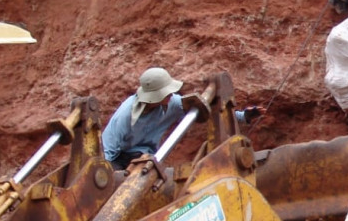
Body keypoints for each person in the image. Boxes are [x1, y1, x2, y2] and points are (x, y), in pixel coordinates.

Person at [102, 67, 261, 169]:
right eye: (166, 93)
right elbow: (107, 152)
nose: (171, 95)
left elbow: (207, 111)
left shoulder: (173, 103)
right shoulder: (126, 114)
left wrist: (243, 116)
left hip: (146, 158)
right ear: (153, 97)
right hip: (118, 160)